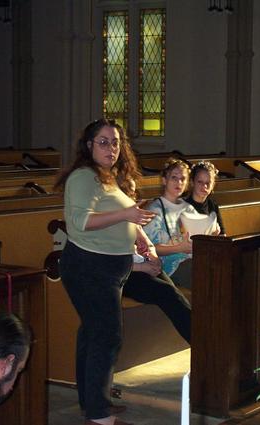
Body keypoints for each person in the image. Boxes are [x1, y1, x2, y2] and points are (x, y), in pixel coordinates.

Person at [56, 118, 157, 425]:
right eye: (103, 142)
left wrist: (142, 239)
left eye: (115, 142)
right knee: (107, 335)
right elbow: (81, 222)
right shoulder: (83, 177)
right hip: (89, 266)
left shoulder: (109, 177)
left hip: (110, 267)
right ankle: (99, 415)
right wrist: (126, 214)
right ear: (89, 145)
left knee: (93, 332)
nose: (111, 148)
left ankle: (91, 403)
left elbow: (125, 215)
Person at [143, 158, 196, 289]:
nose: (179, 182)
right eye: (174, 178)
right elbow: (149, 249)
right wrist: (179, 248)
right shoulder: (155, 210)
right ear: (164, 180)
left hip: (190, 259)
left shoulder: (188, 208)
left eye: (183, 179)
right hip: (170, 266)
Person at [184, 160, 225, 236]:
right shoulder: (183, 205)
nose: (204, 186)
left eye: (208, 183)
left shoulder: (212, 205)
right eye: (200, 182)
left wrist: (217, 235)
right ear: (192, 182)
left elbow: (222, 235)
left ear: (213, 185)